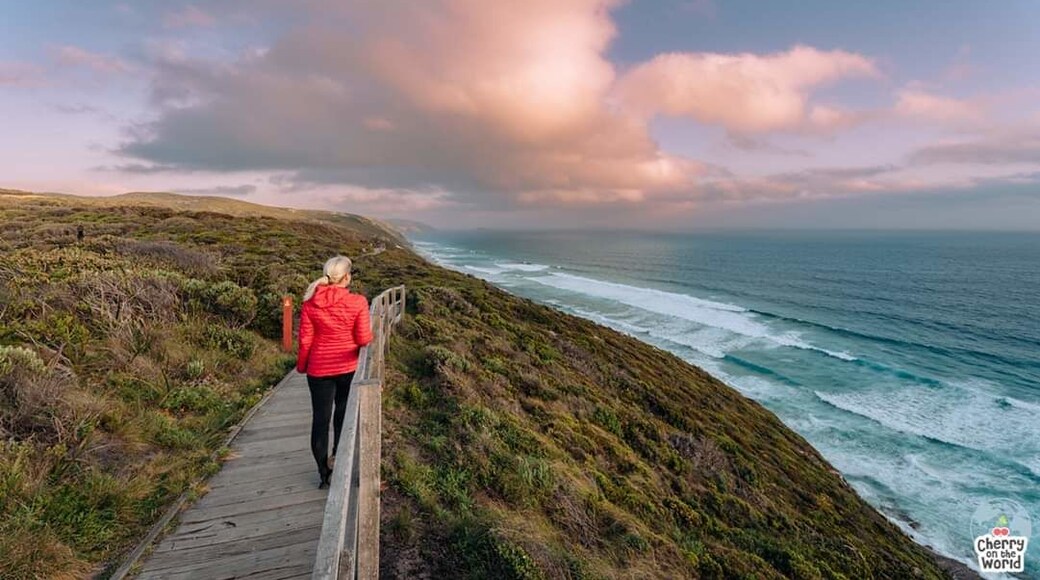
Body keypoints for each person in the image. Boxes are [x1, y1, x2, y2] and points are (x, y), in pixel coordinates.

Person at [297, 256, 373, 488]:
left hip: (319, 369)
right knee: (342, 416)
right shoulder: (358, 302)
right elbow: (363, 338)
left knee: (320, 421)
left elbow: (305, 341)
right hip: (347, 367)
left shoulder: (310, 302)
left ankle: (324, 474)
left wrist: (302, 366)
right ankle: (338, 462)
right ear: (348, 277)